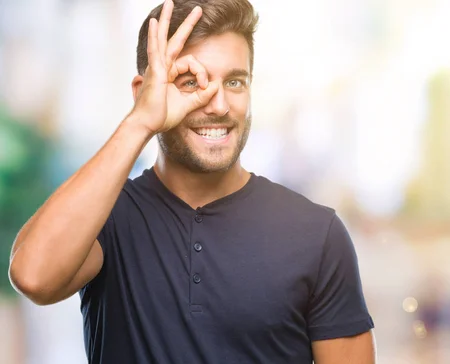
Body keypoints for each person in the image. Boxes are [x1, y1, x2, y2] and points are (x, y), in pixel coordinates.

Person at [8, 0, 376, 363]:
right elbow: (33, 277)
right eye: (189, 82)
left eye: (234, 81)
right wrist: (140, 122)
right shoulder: (106, 218)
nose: (217, 105)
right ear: (143, 92)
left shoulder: (316, 233)